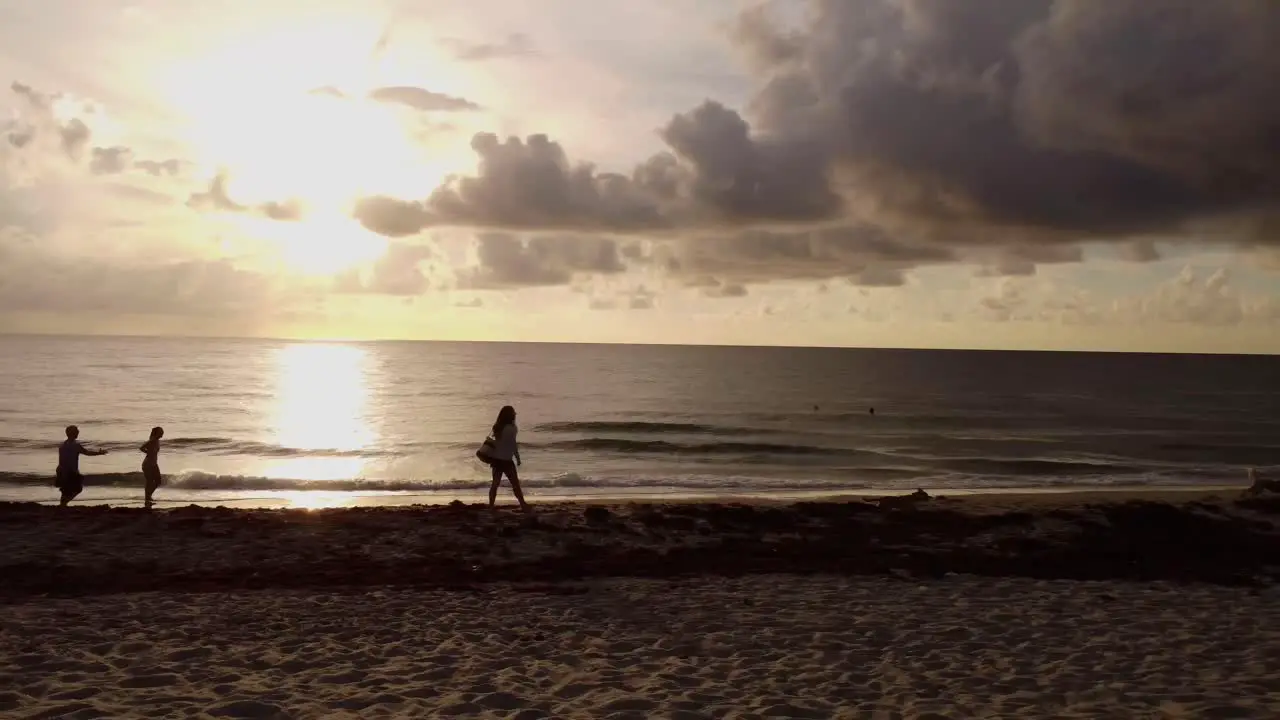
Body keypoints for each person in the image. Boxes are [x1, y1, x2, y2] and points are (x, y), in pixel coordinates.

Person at [484, 405, 529, 510]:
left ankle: (491, 505)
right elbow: (512, 444)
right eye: (513, 413)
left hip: (496, 460)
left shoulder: (497, 426)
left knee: (495, 484)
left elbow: (498, 443)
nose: (515, 415)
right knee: (515, 484)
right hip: (507, 460)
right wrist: (517, 457)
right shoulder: (512, 428)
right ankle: (522, 504)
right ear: (511, 415)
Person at [56, 425, 108, 507]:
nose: (78, 432)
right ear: (72, 433)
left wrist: (59, 472)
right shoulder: (75, 445)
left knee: (65, 490)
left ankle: (63, 505)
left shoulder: (63, 445)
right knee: (78, 489)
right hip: (71, 471)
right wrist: (99, 453)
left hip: (62, 470)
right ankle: (63, 504)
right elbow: (87, 453)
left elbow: (61, 460)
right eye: (76, 431)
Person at [140, 426, 164, 509]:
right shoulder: (153, 440)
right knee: (149, 481)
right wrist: (148, 453)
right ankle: (147, 498)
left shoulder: (156, 441)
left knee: (158, 481)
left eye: (162, 432)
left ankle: (148, 496)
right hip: (148, 464)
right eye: (161, 432)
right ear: (157, 433)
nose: (162, 433)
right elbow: (141, 448)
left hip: (154, 464)